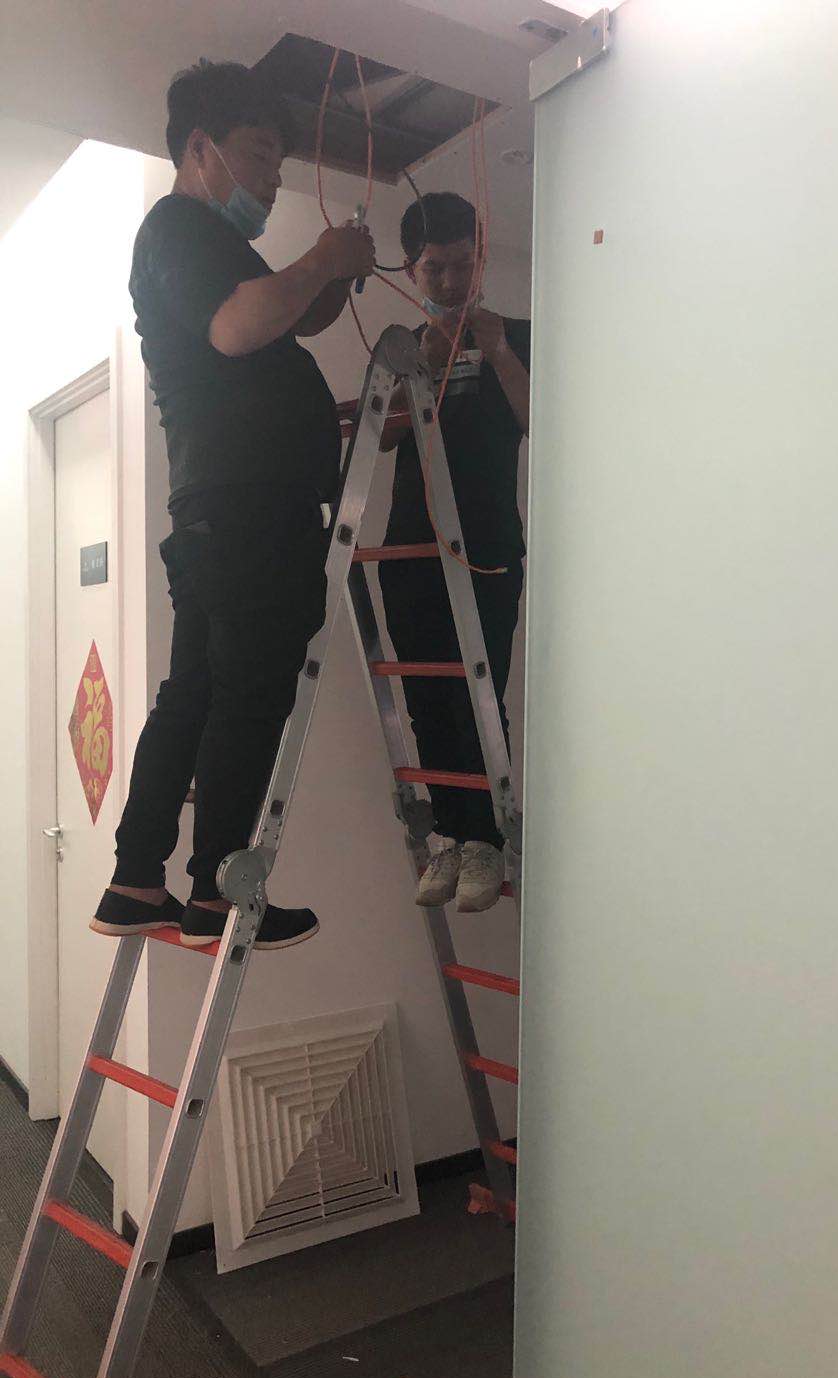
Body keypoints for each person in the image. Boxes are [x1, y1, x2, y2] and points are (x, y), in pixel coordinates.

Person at [89, 60, 375, 950]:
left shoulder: (207, 245)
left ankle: (137, 882)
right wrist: (321, 258)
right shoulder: (180, 228)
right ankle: (217, 893)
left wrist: (332, 276)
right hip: (251, 511)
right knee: (247, 696)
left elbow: (283, 315)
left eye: (279, 163)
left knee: (198, 691)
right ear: (200, 149)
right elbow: (241, 324)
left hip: (223, 510)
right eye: (257, 154)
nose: (271, 178)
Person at [379, 192, 530, 913]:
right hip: (410, 544)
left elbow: (543, 420)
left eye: (462, 265)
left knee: (479, 690)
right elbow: (382, 435)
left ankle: (486, 841)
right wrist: (424, 369)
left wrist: (495, 350)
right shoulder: (403, 350)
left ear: (481, 258)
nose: (449, 281)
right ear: (412, 270)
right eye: (434, 268)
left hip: (488, 543)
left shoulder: (518, 335)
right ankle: (449, 835)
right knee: (426, 696)